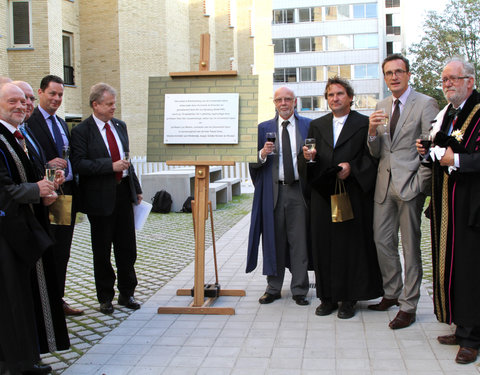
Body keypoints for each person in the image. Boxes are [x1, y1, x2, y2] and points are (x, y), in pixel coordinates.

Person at [298, 77, 383, 319]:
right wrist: (308, 157)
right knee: (323, 245)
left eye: (340, 94)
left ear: (350, 97)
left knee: (350, 246)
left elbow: (372, 157)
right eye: (330, 95)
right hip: (323, 194)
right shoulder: (317, 125)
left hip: (352, 194)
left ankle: (348, 298)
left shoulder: (363, 123)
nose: (335, 98)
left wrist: (352, 168)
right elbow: (307, 156)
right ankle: (327, 297)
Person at [0, 83, 69, 374]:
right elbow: (3, 189)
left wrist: (46, 189)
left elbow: (27, 176)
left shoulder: (18, 135)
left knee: (27, 296)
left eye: (24, 100)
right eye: (12, 101)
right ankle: (14, 363)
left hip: (28, 227)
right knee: (11, 299)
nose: (21, 105)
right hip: (7, 233)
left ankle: (29, 357)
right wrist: (34, 190)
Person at [367, 54, 438, 329]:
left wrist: (421, 183)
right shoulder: (381, 105)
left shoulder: (425, 103)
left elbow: (430, 148)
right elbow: (376, 152)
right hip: (384, 186)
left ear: (408, 75)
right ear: (384, 78)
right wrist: (372, 131)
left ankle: (409, 305)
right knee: (382, 241)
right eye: (388, 73)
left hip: (411, 185)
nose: (394, 77)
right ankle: (392, 292)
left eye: (399, 72)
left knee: (410, 247)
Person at [416, 57, 480, 364]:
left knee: (470, 269)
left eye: (453, 78)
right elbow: (443, 149)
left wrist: (455, 161)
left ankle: (473, 337)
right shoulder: (449, 115)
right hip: (445, 202)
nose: (447, 84)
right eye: (444, 80)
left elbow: (468, 157)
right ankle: (458, 323)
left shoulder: (479, 112)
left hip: (471, 204)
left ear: (470, 80)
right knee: (449, 264)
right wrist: (428, 153)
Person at [70, 82, 143, 314]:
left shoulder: (120, 126)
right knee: (102, 250)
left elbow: (128, 160)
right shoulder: (82, 131)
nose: (114, 108)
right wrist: (109, 166)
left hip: (123, 194)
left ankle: (127, 293)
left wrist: (136, 188)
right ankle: (105, 297)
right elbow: (79, 164)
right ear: (95, 104)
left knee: (127, 248)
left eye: (114, 103)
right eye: (109, 104)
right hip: (99, 200)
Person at [246, 86, 311, 306]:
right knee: (273, 241)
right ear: (274, 103)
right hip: (273, 193)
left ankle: (300, 289)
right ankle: (273, 288)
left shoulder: (308, 125)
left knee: (299, 241)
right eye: (279, 100)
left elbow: (315, 159)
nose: (283, 103)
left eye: (287, 99)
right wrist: (262, 154)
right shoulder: (263, 128)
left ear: (295, 102)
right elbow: (252, 163)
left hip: (298, 191)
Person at [27, 75, 83, 316]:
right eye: (52, 94)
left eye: (60, 94)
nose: (57, 99)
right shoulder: (30, 121)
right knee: (46, 249)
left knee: (62, 250)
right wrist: (46, 164)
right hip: (44, 194)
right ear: (40, 93)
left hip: (64, 194)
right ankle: (44, 304)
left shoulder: (61, 123)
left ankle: (57, 300)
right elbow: (28, 157)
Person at [12, 81, 47, 177]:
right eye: (23, 98)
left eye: (31, 98)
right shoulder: (7, 134)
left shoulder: (26, 129)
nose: (28, 102)